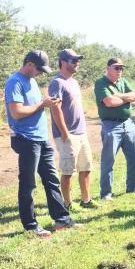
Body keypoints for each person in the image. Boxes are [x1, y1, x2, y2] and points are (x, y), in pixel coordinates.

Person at [5, 50, 78, 237]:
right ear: (29, 64)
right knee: (28, 184)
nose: (40, 73)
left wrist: (50, 103)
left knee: (51, 180)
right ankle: (30, 225)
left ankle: (62, 218)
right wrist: (42, 105)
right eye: (39, 69)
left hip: (41, 138)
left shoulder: (32, 81)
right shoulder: (15, 82)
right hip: (26, 139)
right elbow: (17, 112)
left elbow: (37, 105)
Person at [48, 49, 97, 209]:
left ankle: (86, 200)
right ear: (63, 62)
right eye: (73, 60)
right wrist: (64, 133)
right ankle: (68, 204)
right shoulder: (57, 82)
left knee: (86, 167)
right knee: (68, 171)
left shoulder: (74, 82)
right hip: (67, 135)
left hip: (81, 133)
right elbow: (56, 109)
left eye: (78, 60)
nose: (77, 63)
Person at [94, 57, 135, 200]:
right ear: (108, 68)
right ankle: (106, 193)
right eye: (116, 68)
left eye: (121, 68)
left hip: (128, 123)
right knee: (108, 160)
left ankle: (133, 188)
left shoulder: (123, 82)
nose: (120, 70)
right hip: (110, 125)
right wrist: (126, 99)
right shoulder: (100, 83)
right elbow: (109, 102)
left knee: (134, 157)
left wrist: (119, 96)